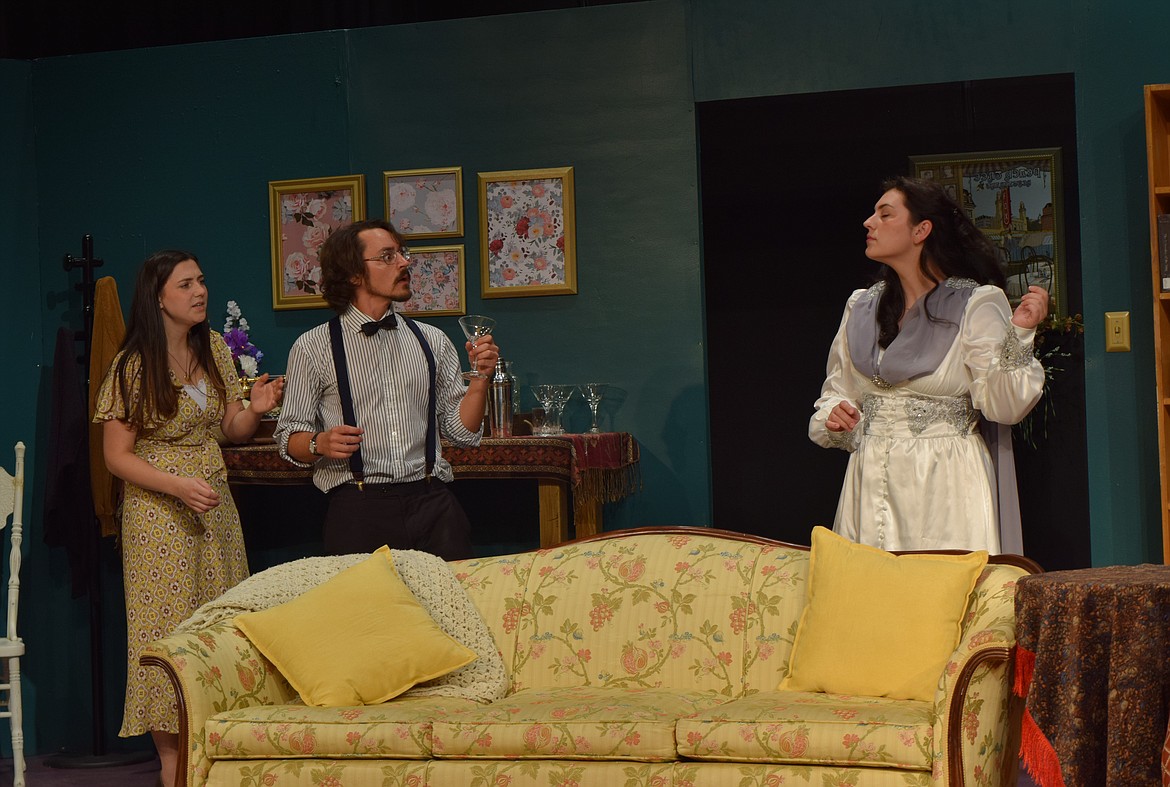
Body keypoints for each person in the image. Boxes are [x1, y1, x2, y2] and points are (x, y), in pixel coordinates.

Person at [93, 249, 283, 787]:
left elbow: (230, 428)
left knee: (218, 622)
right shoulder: (134, 365)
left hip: (214, 508)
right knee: (168, 629)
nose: (200, 291)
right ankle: (172, 764)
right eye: (185, 285)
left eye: (201, 281)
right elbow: (116, 456)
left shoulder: (214, 350)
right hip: (160, 517)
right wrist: (177, 486)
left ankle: (216, 751)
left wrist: (255, 409)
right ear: (158, 298)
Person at [809, 176, 1048, 554]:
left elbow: (1006, 406)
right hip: (867, 483)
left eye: (885, 215)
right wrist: (837, 418)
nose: (869, 222)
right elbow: (837, 394)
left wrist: (1019, 334)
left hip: (943, 485)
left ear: (921, 230)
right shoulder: (861, 307)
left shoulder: (975, 304)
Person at [274, 218, 498, 559]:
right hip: (358, 508)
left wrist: (480, 379)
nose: (405, 262)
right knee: (367, 613)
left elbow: (460, 433)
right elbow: (288, 437)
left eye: (402, 253)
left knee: (449, 609)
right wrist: (320, 442)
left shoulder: (431, 341)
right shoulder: (313, 346)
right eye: (387, 256)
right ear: (353, 274)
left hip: (433, 504)